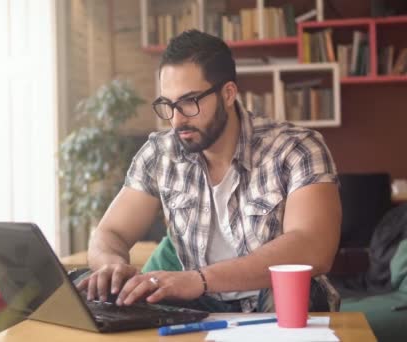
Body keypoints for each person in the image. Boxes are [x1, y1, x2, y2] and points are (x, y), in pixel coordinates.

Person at [76, 29, 342, 313]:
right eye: (168, 104)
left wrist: (200, 279)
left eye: (189, 102)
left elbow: (313, 247)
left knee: (287, 295)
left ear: (228, 94)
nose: (176, 120)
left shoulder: (296, 148)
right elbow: (110, 232)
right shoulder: (160, 154)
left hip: (278, 297)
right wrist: (112, 266)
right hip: (200, 305)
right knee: (116, 305)